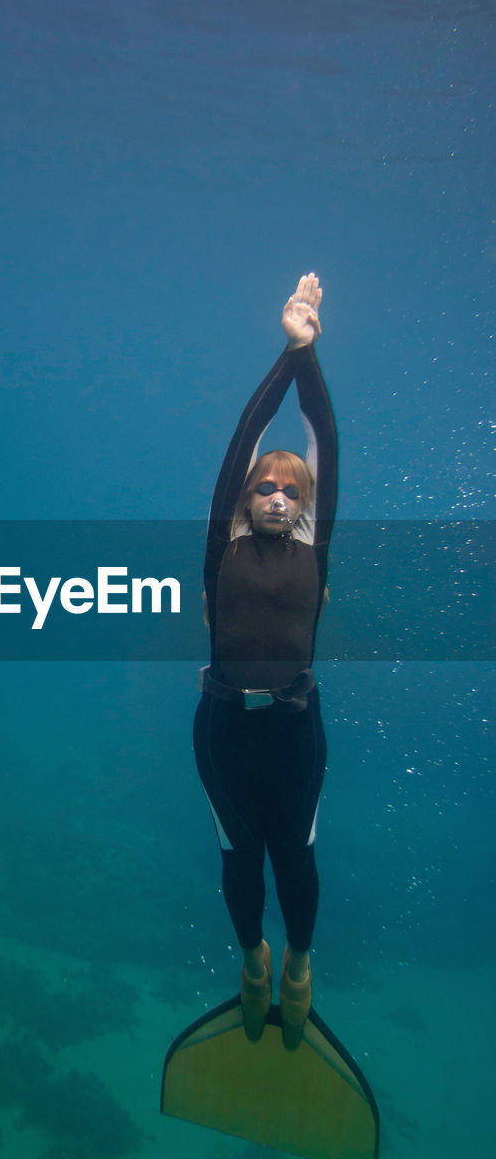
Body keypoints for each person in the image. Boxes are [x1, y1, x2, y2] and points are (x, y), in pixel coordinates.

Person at [193, 272, 337, 1050]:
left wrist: (307, 356)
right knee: (239, 855)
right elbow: (243, 440)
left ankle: (299, 965)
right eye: (266, 487)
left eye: (293, 489)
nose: (279, 493)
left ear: (306, 505)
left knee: (297, 857)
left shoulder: (315, 548)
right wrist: (287, 351)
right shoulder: (223, 550)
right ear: (246, 499)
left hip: (296, 732)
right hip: (222, 731)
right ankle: (253, 960)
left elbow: (324, 439)